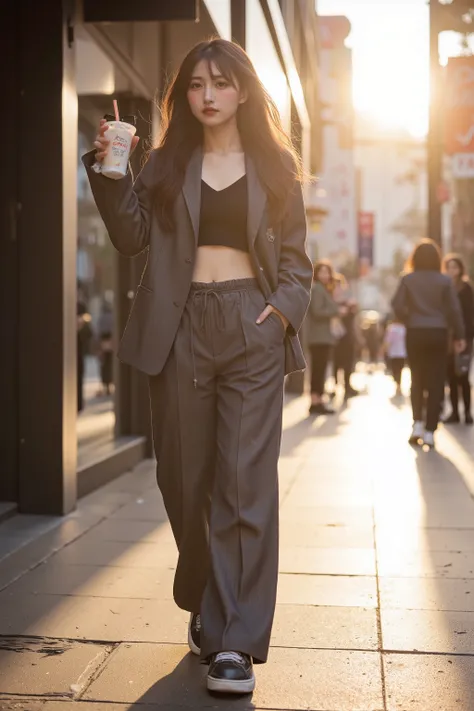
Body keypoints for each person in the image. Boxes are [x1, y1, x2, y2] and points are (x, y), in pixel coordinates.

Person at [82, 39, 312, 694]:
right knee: (183, 478)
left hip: (251, 327)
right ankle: (206, 594)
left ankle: (234, 641)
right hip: (178, 326)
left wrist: (280, 315)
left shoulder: (276, 168)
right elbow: (130, 238)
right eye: (195, 85)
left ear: (243, 90)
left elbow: (298, 262)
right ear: (183, 96)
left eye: (219, 83)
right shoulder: (165, 163)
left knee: (244, 482)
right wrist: (109, 168)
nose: (207, 95)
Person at [392, 239, 465, 449]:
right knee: (436, 381)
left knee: (416, 378)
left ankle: (417, 424)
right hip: (439, 333)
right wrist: (459, 336)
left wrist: (410, 318)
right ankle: (431, 431)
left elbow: (396, 305)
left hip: (415, 332)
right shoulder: (444, 281)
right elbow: (454, 311)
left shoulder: (408, 279)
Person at [443, 254, 474, 424]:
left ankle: (467, 412)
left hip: (464, 337)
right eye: (449, 267)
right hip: (447, 337)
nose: (452, 271)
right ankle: (454, 411)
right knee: (451, 377)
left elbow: (469, 315)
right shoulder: (444, 287)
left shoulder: (466, 288)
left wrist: (464, 336)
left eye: (455, 267)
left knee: (463, 374)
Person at [307, 260, 341, 415]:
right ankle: (315, 400)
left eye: (327, 272)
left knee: (321, 368)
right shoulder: (317, 290)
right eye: (322, 272)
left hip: (323, 337)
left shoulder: (325, 289)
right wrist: (335, 311)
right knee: (318, 369)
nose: (325, 275)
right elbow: (317, 311)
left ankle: (319, 399)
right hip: (318, 337)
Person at [332, 274, 359, 399]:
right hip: (335, 338)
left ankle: (347, 386)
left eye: (340, 285)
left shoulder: (349, 303)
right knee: (336, 362)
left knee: (348, 362)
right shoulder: (330, 302)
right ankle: (335, 385)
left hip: (348, 337)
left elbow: (354, 317)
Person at [383, 317, 407, 395]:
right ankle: (398, 385)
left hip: (393, 353)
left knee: (394, 369)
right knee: (400, 369)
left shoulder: (391, 328)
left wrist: (385, 349)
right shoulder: (404, 328)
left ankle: (397, 384)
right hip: (402, 353)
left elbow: (388, 341)